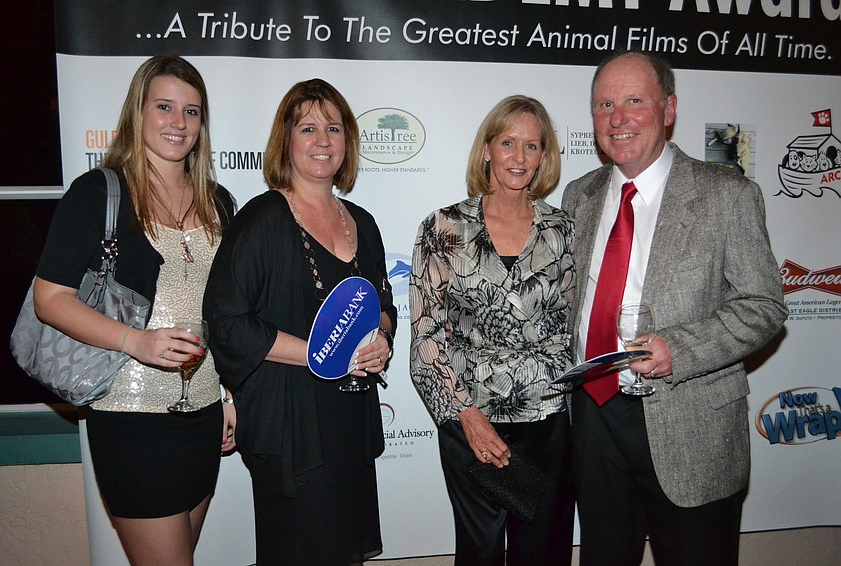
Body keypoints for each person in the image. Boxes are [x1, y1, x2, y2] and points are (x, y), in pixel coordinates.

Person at [561, 51, 787, 566]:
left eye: (634, 101)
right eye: (604, 105)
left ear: (668, 109)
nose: (618, 118)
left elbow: (763, 305)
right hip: (594, 421)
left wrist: (677, 351)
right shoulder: (579, 196)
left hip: (692, 424)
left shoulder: (728, 195)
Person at [32, 55, 236, 565]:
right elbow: (50, 299)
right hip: (129, 416)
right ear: (138, 112)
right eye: (164, 107)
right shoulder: (98, 193)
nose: (178, 122)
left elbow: (227, 311)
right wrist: (136, 341)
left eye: (191, 111)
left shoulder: (220, 202)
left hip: (204, 410)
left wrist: (230, 394)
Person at [203, 78, 395, 566]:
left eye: (334, 128)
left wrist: (382, 337)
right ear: (285, 140)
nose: (322, 140)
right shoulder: (263, 218)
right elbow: (226, 321)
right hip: (290, 426)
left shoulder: (362, 222)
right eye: (308, 128)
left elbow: (383, 303)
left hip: (350, 420)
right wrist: (316, 355)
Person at [410, 95, 575, 566]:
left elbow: (572, 326)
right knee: (479, 553)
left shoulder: (563, 230)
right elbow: (425, 338)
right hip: (470, 419)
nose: (519, 157)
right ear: (486, 149)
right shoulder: (444, 227)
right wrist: (467, 416)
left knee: (542, 554)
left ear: (544, 156)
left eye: (532, 145)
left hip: (547, 421)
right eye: (508, 143)